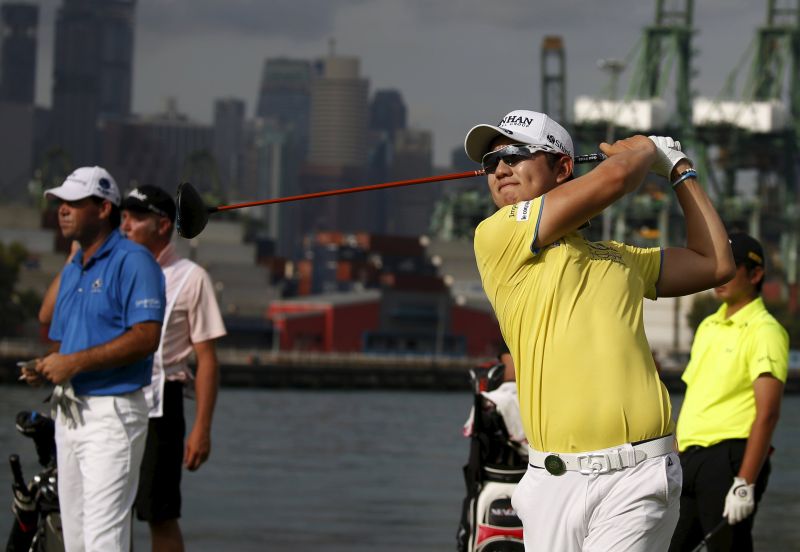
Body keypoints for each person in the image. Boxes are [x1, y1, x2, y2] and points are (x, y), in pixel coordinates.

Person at [466, 109, 735, 551]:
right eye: (490, 162)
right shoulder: (496, 236)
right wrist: (647, 150)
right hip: (550, 483)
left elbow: (715, 263)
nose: (499, 168)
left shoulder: (621, 256)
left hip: (639, 475)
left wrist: (680, 172)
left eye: (515, 154)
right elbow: (614, 181)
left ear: (563, 168)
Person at [21, 166, 166, 552]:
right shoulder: (76, 267)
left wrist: (72, 364)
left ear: (103, 209)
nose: (62, 210)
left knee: (104, 540)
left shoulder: (134, 261)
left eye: (73, 202)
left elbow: (146, 337)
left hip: (112, 414)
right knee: (77, 540)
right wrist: (49, 366)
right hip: (70, 413)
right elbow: (51, 324)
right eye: (60, 203)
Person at [120, 185, 227, 552]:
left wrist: (202, 428)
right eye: (123, 217)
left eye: (135, 217)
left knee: (159, 513)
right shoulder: (119, 269)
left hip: (163, 406)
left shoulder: (191, 276)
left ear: (163, 224)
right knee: (109, 510)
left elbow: (207, 358)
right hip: (115, 397)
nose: (125, 226)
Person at [669, 233, 788, 552]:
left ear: (756, 273)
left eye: (730, 266)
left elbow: (768, 413)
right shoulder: (707, 325)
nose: (719, 273)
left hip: (729, 459)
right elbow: (696, 396)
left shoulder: (765, 330)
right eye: (716, 264)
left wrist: (745, 483)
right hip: (689, 459)